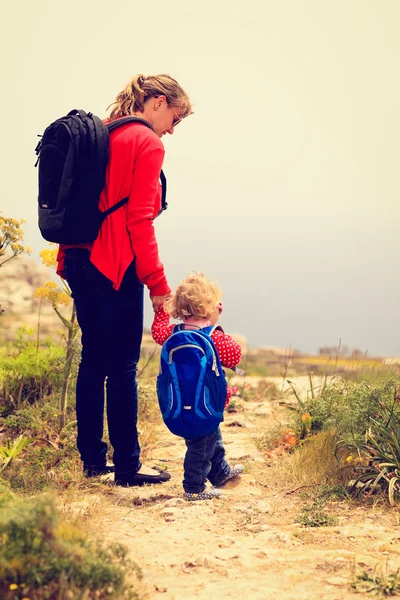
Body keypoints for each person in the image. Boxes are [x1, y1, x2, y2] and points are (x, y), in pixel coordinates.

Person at [56, 74, 192, 487]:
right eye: (175, 118)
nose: (172, 129)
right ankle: (129, 466)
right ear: (157, 102)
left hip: (76, 256)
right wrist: (158, 285)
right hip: (114, 264)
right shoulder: (148, 143)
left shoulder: (104, 132)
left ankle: (93, 462)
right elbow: (139, 220)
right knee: (123, 367)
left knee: (92, 359)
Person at [151, 272, 244, 501]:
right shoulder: (212, 336)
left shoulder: (174, 332)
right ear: (206, 309)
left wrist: (161, 311)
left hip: (182, 402)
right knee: (201, 447)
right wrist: (221, 331)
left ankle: (220, 472)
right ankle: (194, 487)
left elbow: (157, 332)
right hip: (207, 402)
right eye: (216, 306)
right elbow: (234, 357)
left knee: (211, 436)